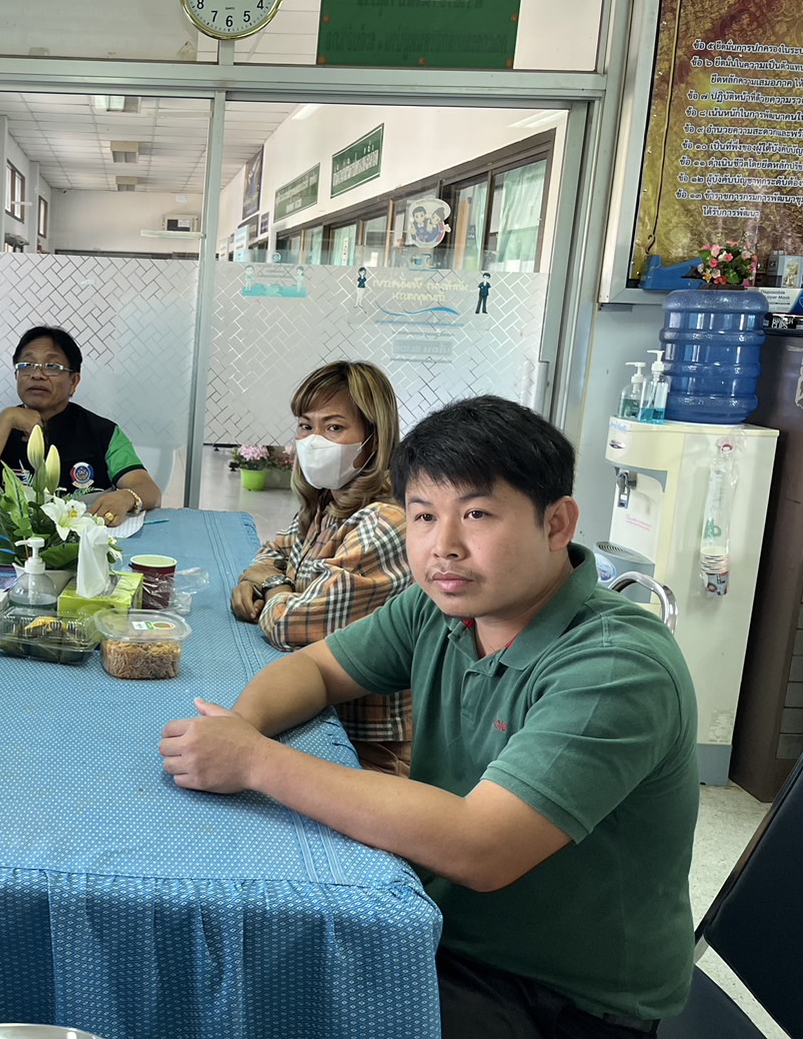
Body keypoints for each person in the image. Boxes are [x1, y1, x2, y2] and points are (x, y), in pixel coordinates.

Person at [161, 396, 697, 1036]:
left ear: (557, 524)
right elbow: (317, 668)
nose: (444, 546)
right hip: (440, 923)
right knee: (220, 961)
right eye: (423, 516)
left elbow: (481, 846)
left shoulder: (615, 666)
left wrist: (253, 761)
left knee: (252, 999)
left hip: (555, 995)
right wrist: (242, 728)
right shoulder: (442, 610)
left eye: (476, 514)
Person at [230, 362, 413, 775]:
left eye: (334, 428)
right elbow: (273, 551)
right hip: (327, 717)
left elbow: (293, 625)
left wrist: (272, 585)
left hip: (371, 748)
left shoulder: (383, 522)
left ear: (373, 439)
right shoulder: (329, 502)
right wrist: (254, 576)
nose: (314, 441)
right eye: (304, 426)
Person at [0, 325, 161, 527]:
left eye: (52, 366)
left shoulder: (103, 433)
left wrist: (127, 497)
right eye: (27, 365)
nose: (37, 374)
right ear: (16, 375)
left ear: (74, 382)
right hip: (12, 543)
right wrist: (7, 418)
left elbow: (149, 490)